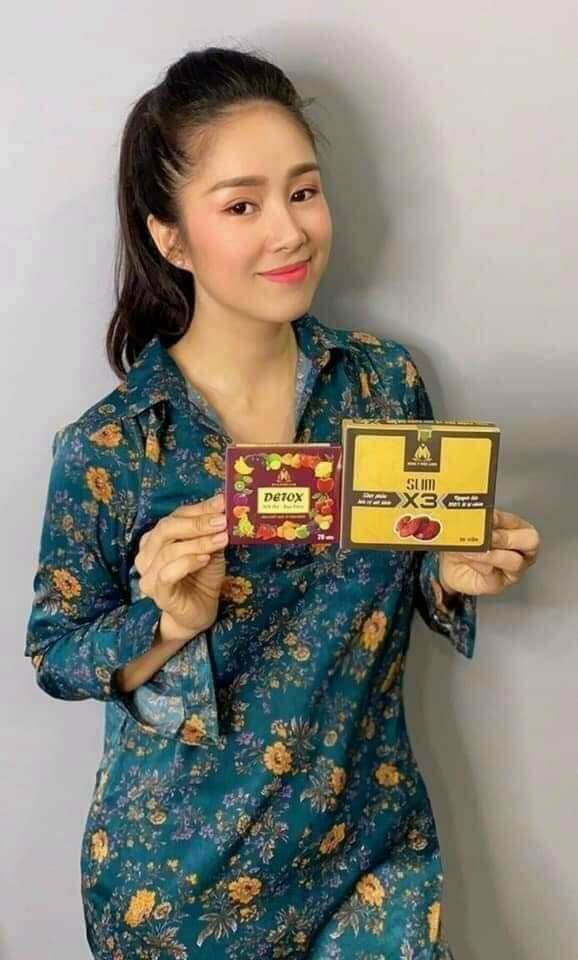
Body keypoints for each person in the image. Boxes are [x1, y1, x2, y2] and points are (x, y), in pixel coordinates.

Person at [25, 45, 541, 960]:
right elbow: (56, 654)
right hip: (179, 887)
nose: (289, 231)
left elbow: (411, 559)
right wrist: (167, 623)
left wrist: (449, 574)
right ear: (171, 237)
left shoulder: (384, 385)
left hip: (371, 852)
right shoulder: (113, 445)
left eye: (303, 192)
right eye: (242, 206)